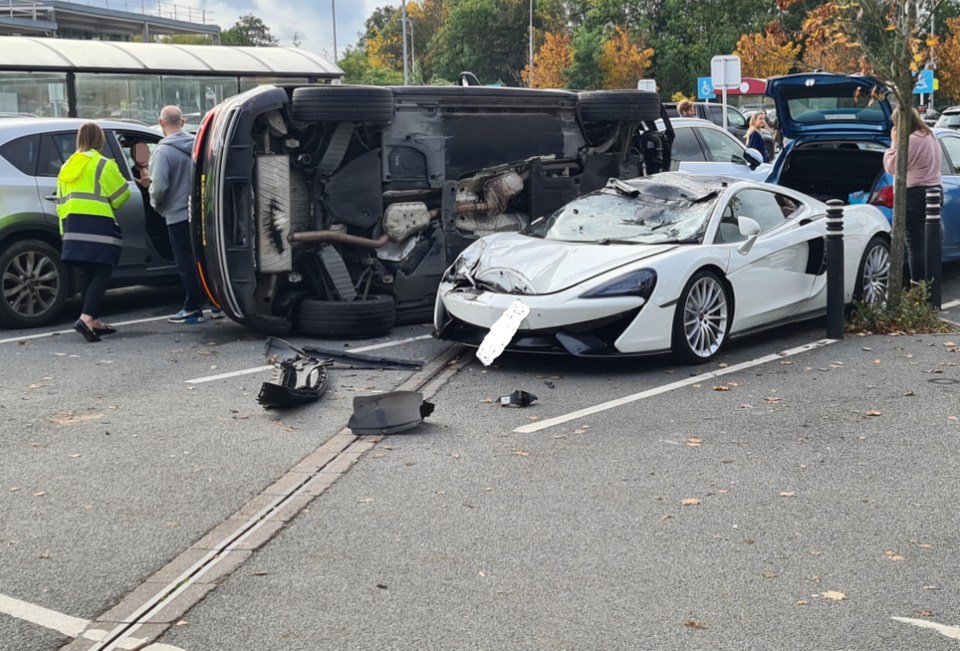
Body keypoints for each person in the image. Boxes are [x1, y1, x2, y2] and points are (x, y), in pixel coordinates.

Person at [146, 105, 222, 324]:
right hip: (201, 214)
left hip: (178, 215)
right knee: (205, 260)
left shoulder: (163, 151)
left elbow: (159, 187)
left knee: (185, 263)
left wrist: (156, 205)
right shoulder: (199, 147)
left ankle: (192, 308)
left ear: (161, 123)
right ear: (183, 121)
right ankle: (217, 304)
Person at [56, 122, 130, 343]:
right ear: (100, 140)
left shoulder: (66, 166)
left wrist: (64, 231)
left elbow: (60, 202)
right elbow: (121, 196)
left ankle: (94, 320)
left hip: (72, 225)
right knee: (102, 271)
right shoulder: (102, 164)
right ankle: (86, 318)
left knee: (88, 271)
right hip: (98, 225)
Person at [883, 107, 942, 283]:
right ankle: (931, 289)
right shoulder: (929, 135)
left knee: (915, 245)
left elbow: (892, 167)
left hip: (915, 194)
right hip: (935, 191)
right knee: (929, 243)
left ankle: (919, 289)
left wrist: (894, 143)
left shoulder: (910, 141)